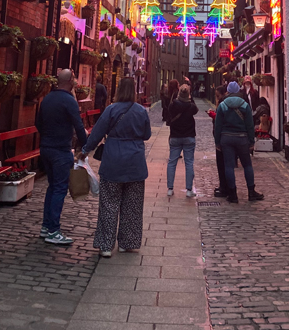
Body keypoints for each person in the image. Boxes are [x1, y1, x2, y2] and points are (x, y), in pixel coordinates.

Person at [80, 77, 151, 258]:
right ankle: (127, 243)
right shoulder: (141, 111)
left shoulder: (111, 110)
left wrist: (85, 151)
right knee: (132, 207)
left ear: (118, 90)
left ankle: (105, 245)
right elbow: (147, 134)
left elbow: (96, 133)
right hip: (135, 164)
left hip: (113, 162)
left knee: (109, 205)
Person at [36, 68, 88, 245]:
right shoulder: (69, 101)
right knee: (59, 189)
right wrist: (86, 146)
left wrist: (47, 137)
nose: (75, 82)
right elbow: (79, 126)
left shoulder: (47, 98)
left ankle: (46, 226)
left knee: (52, 187)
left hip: (46, 148)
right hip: (60, 150)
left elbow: (38, 123)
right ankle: (53, 231)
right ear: (70, 81)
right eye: (74, 79)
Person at [214, 80, 264, 203]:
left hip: (226, 138)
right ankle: (251, 192)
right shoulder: (245, 105)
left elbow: (218, 126)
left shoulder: (222, 105)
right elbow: (249, 125)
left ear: (228, 91)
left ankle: (232, 194)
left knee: (229, 166)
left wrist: (217, 142)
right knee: (247, 165)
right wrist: (252, 141)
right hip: (242, 138)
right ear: (238, 91)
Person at [166, 84, 198, 197]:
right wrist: (190, 97)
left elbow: (168, 114)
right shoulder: (191, 106)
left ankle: (170, 188)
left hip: (175, 137)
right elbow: (196, 109)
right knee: (189, 163)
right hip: (189, 136)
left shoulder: (173, 105)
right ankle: (189, 190)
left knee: (172, 162)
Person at [207, 84, 228, 197]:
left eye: (217, 95)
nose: (216, 97)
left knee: (222, 163)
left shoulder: (222, 104)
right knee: (225, 164)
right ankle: (225, 186)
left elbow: (221, 120)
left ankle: (225, 188)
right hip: (224, 136)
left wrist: (213, 115)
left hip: (221, 137)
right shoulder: (225, 103)